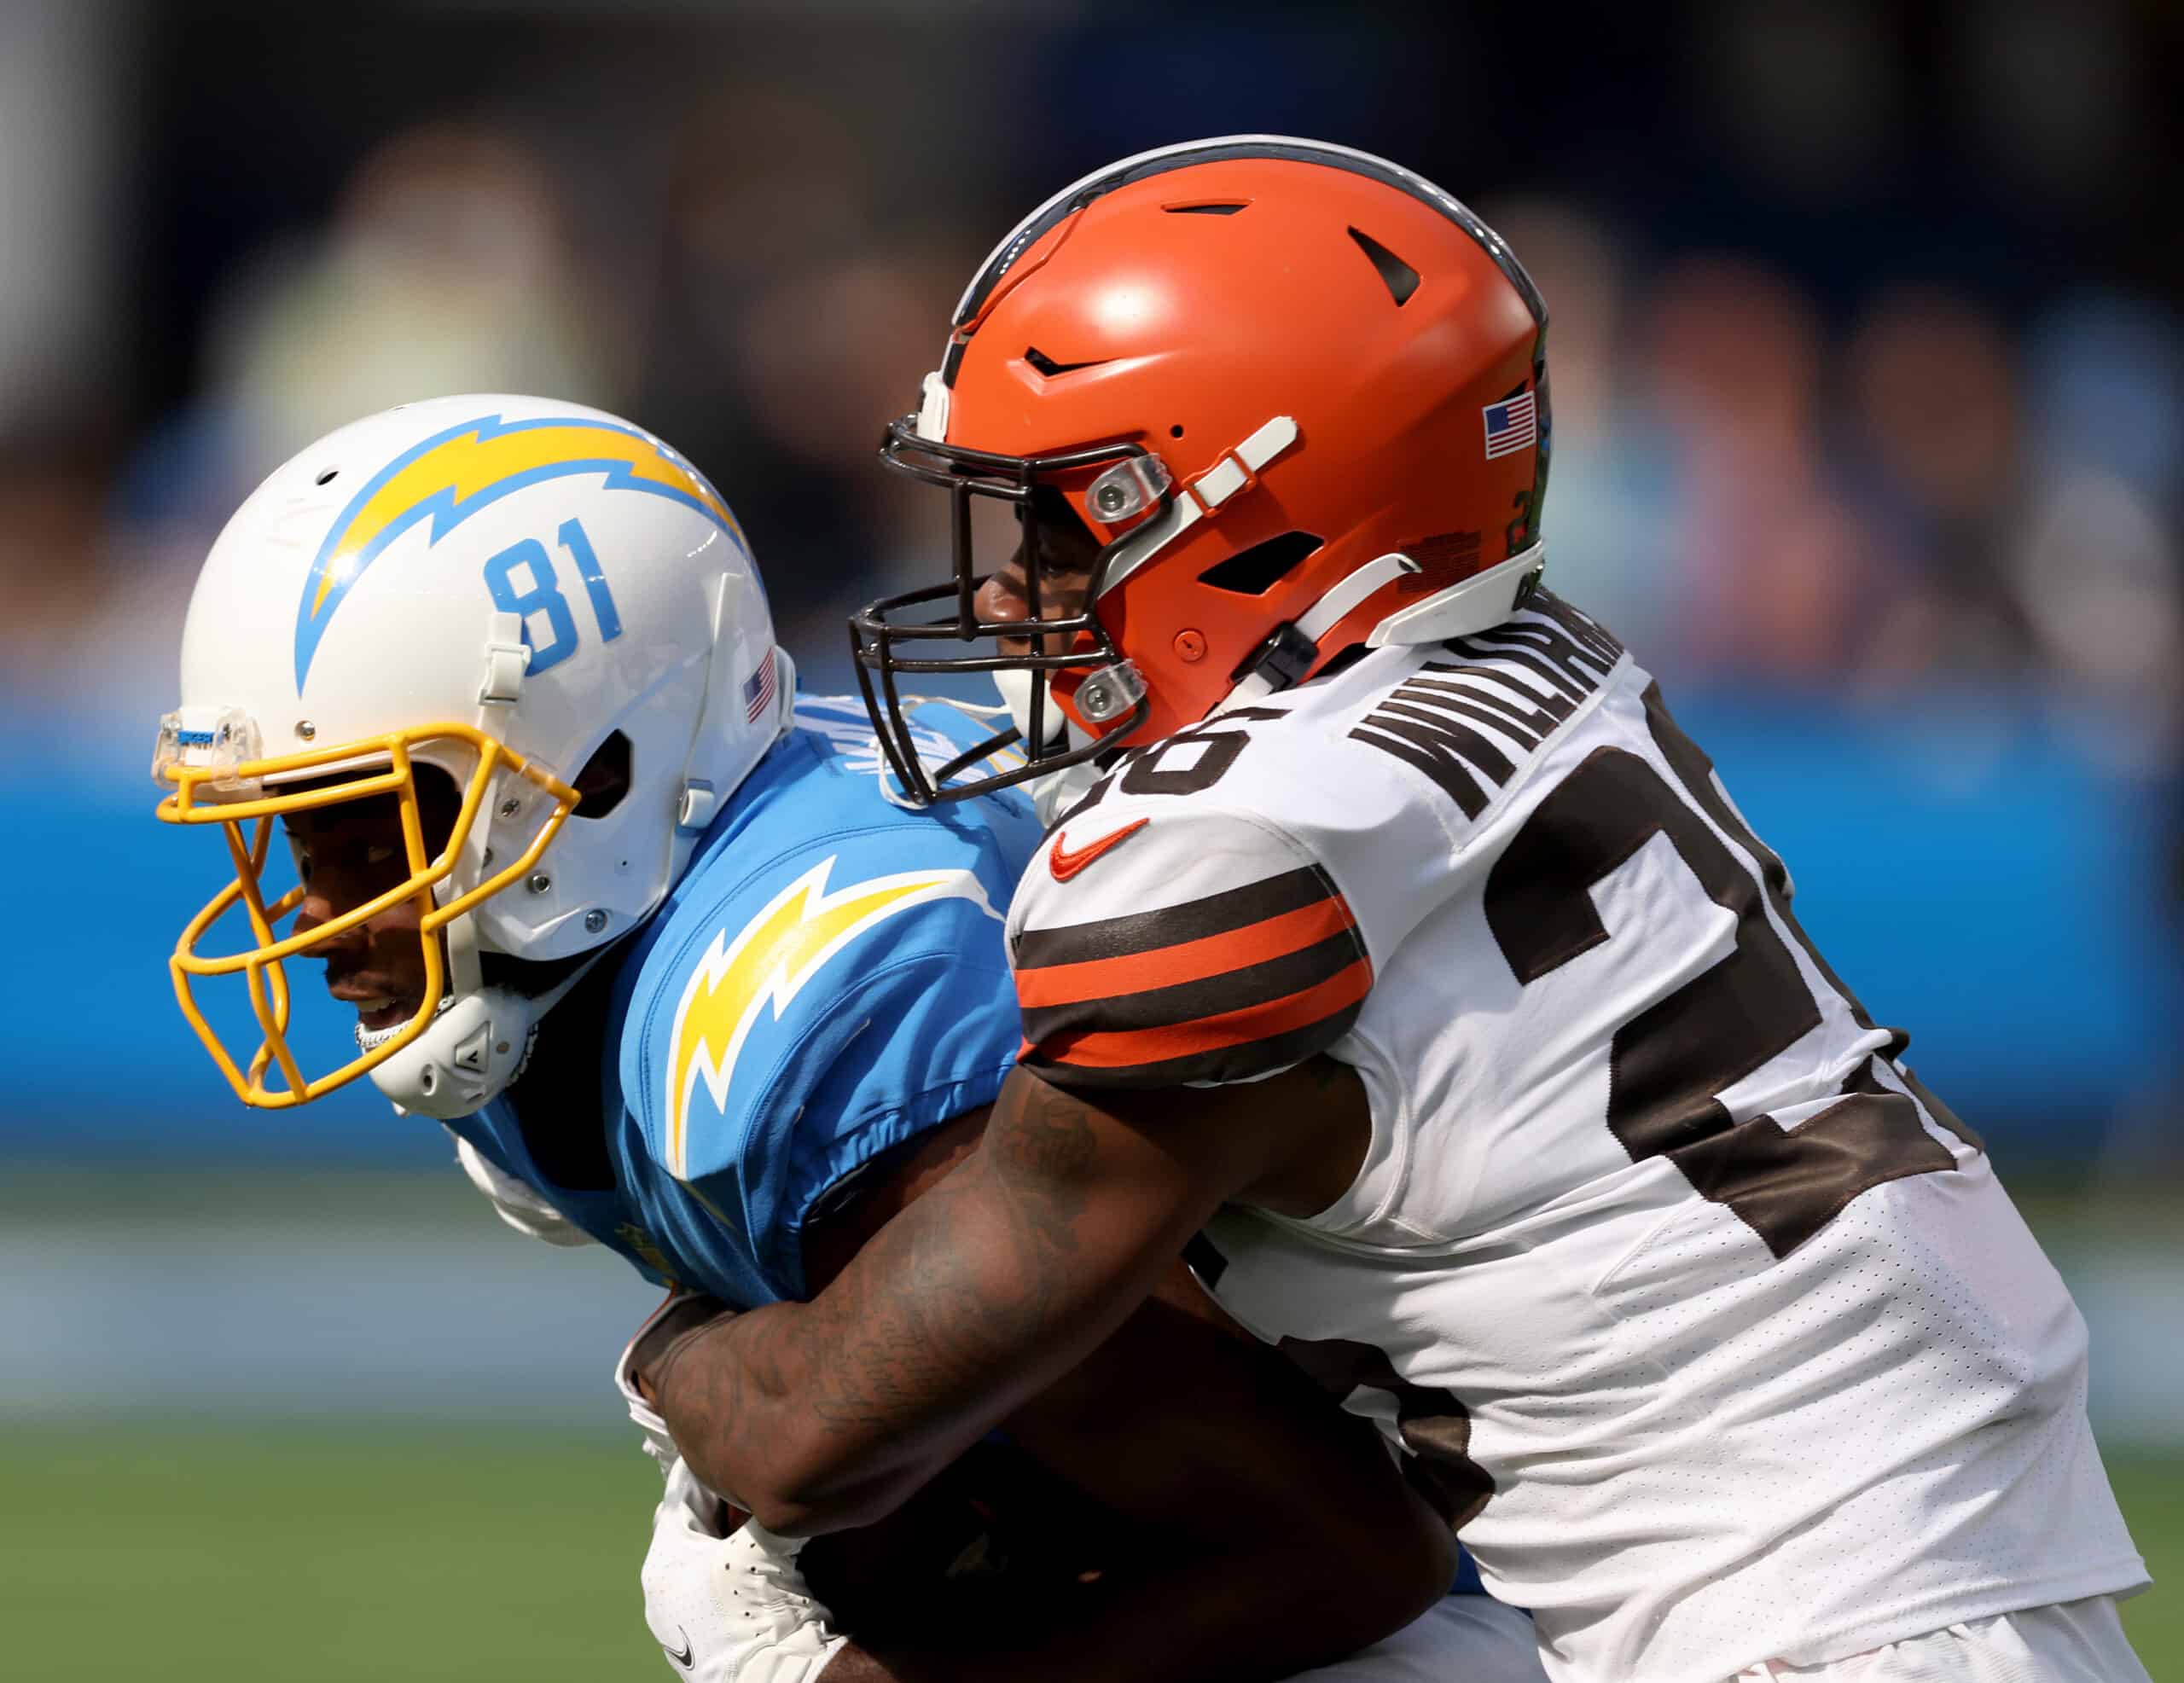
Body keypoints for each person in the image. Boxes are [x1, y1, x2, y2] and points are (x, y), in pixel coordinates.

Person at [633, 139, 2155, 1681]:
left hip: (1799, 1624)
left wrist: (681, 1357)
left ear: (1257, 512)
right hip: (1909, 1573)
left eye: (1059, 526)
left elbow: (819, 1430)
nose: (1013, 595)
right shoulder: (1533, 658)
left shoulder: (1223, 857)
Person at [150, 393, 1545, 1682]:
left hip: (1501, 1588)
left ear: (597, 775)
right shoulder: (575, 938)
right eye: (291, 831)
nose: (321, 912)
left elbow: (1344, 1553)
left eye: (372, 830)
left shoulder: (805, 1013)